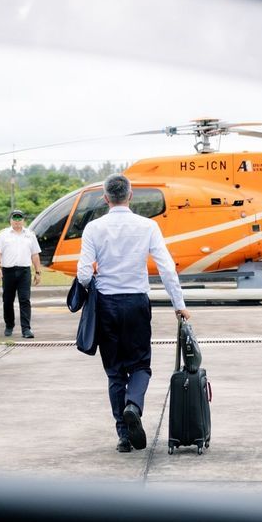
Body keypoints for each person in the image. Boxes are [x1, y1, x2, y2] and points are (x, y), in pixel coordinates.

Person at [77, 174, 191, 453]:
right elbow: (166, 268)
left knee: (115, 373)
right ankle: (133, 406)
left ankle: (124, 436)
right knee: (140, 365)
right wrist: (179, 304)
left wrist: (95, 283)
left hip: (106, 304)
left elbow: (82, 274)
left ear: (105, 198)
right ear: (130, 197)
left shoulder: (93, 228)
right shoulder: (148, 226)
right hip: (137, 303)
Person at [0, 208, 42, 339]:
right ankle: (9, 325)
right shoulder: (3, 235)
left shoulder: (30, 234)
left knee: (24, 300)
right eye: (15, 218)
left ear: (24, 220)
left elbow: (35, 254)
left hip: (24, 271)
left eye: (20, 218)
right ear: (10, 220)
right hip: (8, 272)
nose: (17, 221)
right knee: (7, 300)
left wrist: (38, 272)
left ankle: (26, 329)